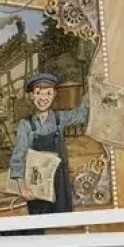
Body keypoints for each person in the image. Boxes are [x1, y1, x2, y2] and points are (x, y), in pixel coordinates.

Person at [8, 72, 88, 216]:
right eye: (38, 93)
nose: (43, 98)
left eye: (48, 93)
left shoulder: (60, 119)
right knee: (40, 221)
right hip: (37, 185)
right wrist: (23, 188)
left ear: (54, 95)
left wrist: (89, 94)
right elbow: (18, 158)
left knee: (62, 220)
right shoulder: (25, 125)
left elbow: (82, 115)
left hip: (60, 182)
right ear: (31, 96)